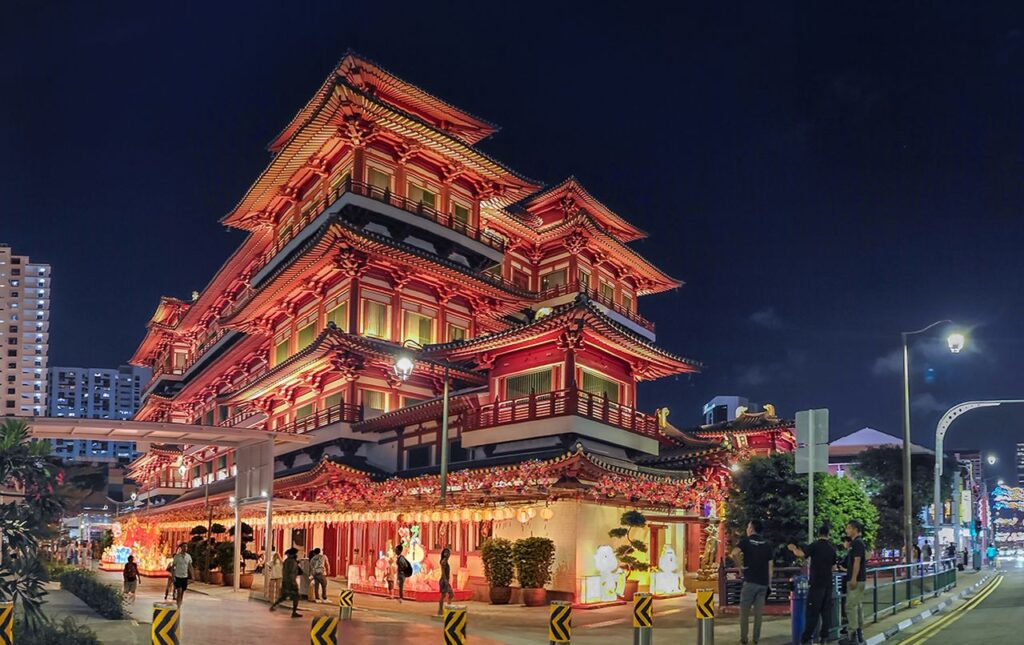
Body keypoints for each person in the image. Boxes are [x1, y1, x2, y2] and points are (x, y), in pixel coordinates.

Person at [788, 524, 838, 644]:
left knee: (812, 613)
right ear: (828, 534)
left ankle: (806, 639)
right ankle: (824, 639)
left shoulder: (815, 546)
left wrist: (793, 548)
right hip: (828, 584)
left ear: (818, 534)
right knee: (825, 613)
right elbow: (834, 567)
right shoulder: (832, 549)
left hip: (816, 584)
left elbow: (801, 554)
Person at [731, 520, 773, 645]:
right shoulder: (767, 544)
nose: (747, 529)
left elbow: (734, 553)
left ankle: (744, 640)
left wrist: (740, 568)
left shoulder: (746, 541)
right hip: (763, 583)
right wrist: (769, 584)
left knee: (744, 612)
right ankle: (756, 640)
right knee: (758, 615)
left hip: (750, 582)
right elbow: (770, 566)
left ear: (751, 529)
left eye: (748, 526)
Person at [843, 520, 867, 645]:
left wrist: (853, 578)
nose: (847, 530)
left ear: (854, 529)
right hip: (859, 579)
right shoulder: (857, 543)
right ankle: (859, 634)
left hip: (856, 580)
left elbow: (857, 561)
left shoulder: (857, 543)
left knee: (850, 607)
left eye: (848, 528)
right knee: (857, 607)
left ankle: (852, 636)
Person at [269, 547, 303, 618]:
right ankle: (294, 612)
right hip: (291, 582)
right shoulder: (292, 562)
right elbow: (292, 573)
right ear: (293, 554)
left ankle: (274, 605)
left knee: (283, 596)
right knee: (295, 597)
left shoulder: (287, 561)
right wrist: (293, 583)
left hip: (285, 581)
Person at [171, 543, 194, 607]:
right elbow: (173, 567)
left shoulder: (188, 556)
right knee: (179, 591)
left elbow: (190, 566)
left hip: (185, 576)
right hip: (178, 576)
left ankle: (180, 602)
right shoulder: (177, 557)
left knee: (182, 592)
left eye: (186, 547)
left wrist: (193, 576)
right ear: (181, 548)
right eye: (184, 547)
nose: (185, 548)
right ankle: (178, 604)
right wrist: (173, 576)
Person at [437, 547, 455, 616]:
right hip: (444, 580)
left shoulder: (445, 561)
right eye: (445, 552)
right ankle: (444, 609)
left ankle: (443, 609)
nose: (447, 554)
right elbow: (443, 572)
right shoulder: (444, 561)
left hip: (445, 580)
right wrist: (446, 581)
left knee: (444, 595)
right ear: (443, 554)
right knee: (450, 594)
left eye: (448, 552)